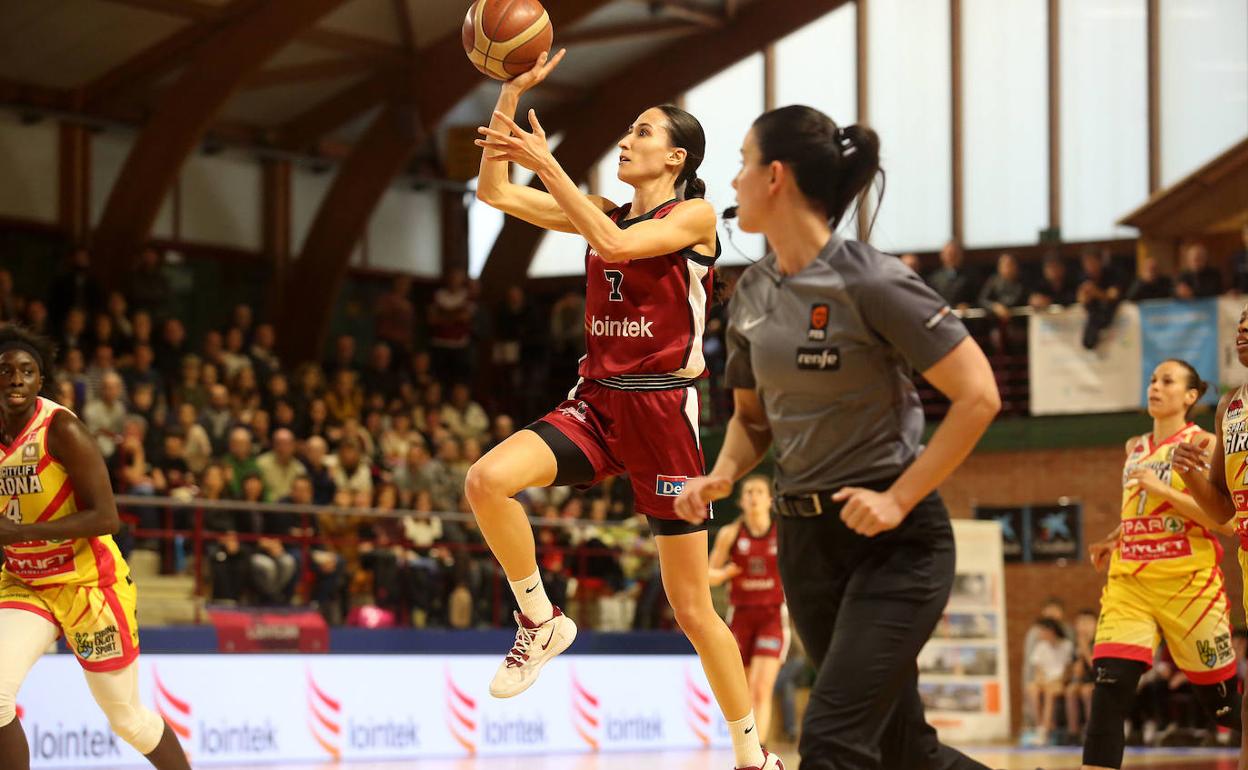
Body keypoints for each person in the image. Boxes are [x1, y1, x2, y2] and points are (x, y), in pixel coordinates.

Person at [470, 51, 780, 770]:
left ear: (675, 155)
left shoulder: (695, 216)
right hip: (599, 403)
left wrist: (547, 165)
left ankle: (751, 756)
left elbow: (614, 243)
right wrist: (510, 97)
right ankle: (539, 620)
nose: (627, 139)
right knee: (486, 481)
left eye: (641, 132)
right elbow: (494, 193)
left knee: (693, 608)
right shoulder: (601, 210)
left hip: (665, 417)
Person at [674, 104, 1000, 770]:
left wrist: (900, 499)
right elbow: (751, 421)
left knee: (830, 741)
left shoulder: (870, 279)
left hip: (895, 544)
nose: (732, 181)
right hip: (808, 547)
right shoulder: (753, 293)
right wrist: (724, 473)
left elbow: (979, 395)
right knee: (902, 749)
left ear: (776, 177)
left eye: (742, 162)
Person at [0, 324, 190, 769]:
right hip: (26, 582)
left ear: (40, 381)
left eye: (27, 371)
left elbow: (108, 517)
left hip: (89, 584)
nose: (15, 379)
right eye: (5, 370)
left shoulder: (61, 428)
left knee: (127, 720)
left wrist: (19, 534)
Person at [1084, 359, 1240, 770]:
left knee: (1225, 709)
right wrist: (1117, 536)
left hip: (1187, 586)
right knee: (1109, 688)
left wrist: (1161, 488)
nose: (1155, 386)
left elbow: (1223, 522)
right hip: (1130, 581)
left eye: (1167, 381)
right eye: (1153, 379)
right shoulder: (1133, 446)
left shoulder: (1204, 444)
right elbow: (1139, 510)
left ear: (1190, 396)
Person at [1171, 308, 1248, 768]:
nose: (1242, 331)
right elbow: (1222, 506)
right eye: (1239, 324)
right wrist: (1192, 477)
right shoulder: (1229, 407)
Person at [708, 476, 788, 745]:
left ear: (769, 500)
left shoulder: (783, 533)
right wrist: (723, 574)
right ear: (741, 501)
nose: (754, 496)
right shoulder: (730, 534)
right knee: (742, 694)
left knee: (761, 689)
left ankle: (759, 751)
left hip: (772, 616)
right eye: (749, 492)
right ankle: (747, 749)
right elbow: (707, 575)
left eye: (759, 491)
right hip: (740, 616)